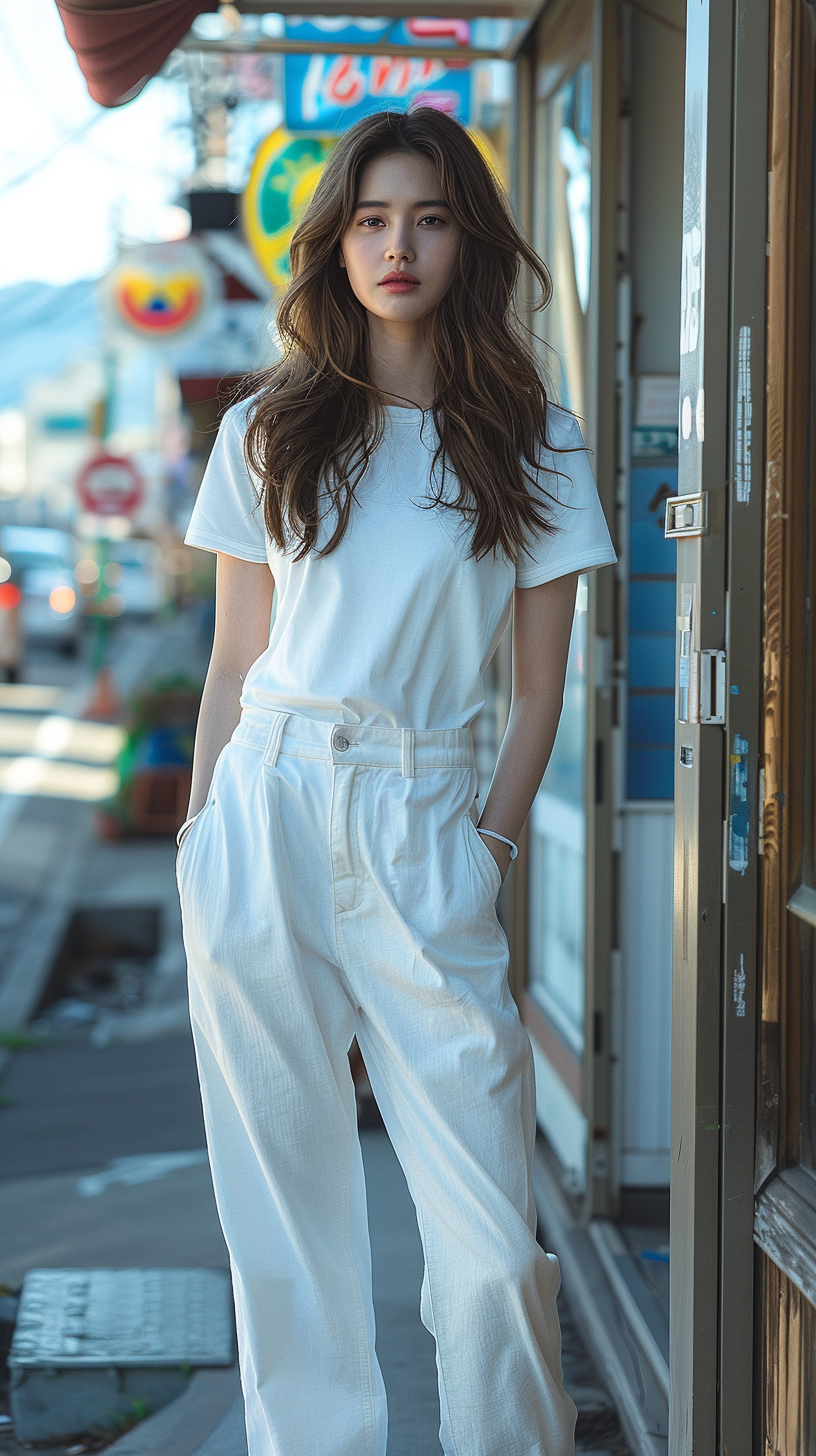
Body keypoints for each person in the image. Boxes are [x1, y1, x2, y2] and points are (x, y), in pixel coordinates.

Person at [177, 106, 616, 1456]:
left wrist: (487, 844)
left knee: (491, 1249)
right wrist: (203, 838)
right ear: (338, 244)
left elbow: (538, 688)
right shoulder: (268, 430)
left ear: (464, 240)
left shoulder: (532, 441)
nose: (396, 244)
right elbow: (234, 663)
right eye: (370, 219)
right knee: (288, 1223)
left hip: (432, 822)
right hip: (269, 813)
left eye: (427, 215)